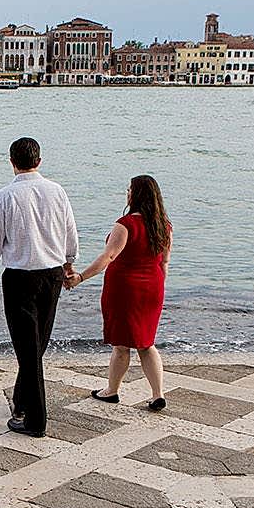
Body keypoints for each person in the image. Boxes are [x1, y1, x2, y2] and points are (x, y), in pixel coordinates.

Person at [0, 137, 79, 438]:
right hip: (50, 275)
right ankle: (22, 401)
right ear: (39, 161)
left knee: (28, 348)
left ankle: (35, 420)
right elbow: (69, 231)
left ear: (12, 162)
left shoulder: (6, 195)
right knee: (36, 345)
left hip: (20, 277)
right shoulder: (57, 191)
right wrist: (68, 263)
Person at [65, 174, 171, 411]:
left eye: (129, 189)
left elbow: (108, 257)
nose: (127, 192)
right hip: (153, 288)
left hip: (126, 290)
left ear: (135, 195)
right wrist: (157, 286)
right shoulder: (164, 225)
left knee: (122, 345)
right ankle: (157, 394)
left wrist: (80, 277)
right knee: (146, 343)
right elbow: (164, 263)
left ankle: (112, 391)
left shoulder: (125, 224)